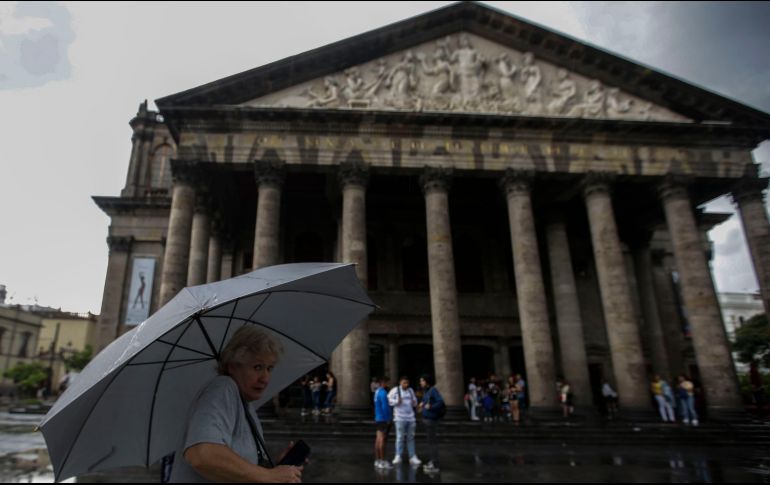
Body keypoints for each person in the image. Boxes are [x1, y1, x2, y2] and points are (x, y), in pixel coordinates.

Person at [170, 325, 303, 483]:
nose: (265, 378)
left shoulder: (245, 404)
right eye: (257, 367)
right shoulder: (224, 388)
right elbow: (201, 454)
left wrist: (275, 467)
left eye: (269, 368)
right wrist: (269, 476)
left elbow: (243, 472)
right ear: (232, 366)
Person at [387, 376, 421, 466]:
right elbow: (388, 400)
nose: (406, 384)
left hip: (410, 417)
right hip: (399, 417)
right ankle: (398, 455)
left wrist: (415, 402)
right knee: (400, 438)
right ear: (400, 382)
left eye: (407, 383)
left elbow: (415, 401)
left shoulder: (410, 390)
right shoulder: (395, 390)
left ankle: (412, 456)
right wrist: (396, 401)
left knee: (411, 437)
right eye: (404, 382)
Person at [418, 374, 445, 474]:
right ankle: (432, 461)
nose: (421, 383)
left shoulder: (433, 390)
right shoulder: (427, 391)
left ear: (427, 382)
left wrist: (431, 407)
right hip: (427, 419)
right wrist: (423, 404)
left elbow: (440, 402)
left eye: (422, 381)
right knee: (430, 442)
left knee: (432, 442)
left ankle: (435, 464)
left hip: (431, 420)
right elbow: (427, 402)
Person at [373, 376, 393, 469]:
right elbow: (385, 407)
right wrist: (388, 418)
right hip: (383, 418)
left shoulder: (377, 392)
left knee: (378, 439)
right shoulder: (383, 393)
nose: (388, 384)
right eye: (387, 382)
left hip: (378, 417)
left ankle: (377, 460)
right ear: (383, 383)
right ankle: (382, 461)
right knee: (382, 440)